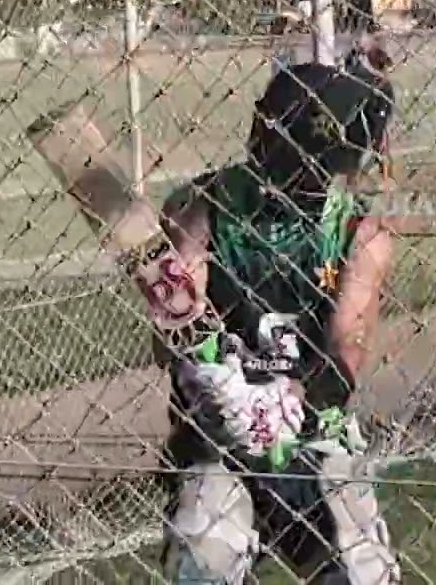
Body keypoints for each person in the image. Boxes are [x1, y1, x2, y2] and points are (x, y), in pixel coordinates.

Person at [140, 53, 401, 584]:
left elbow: (347, 350)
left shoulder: (359, 233)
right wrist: (217, 377)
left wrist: (286, 403)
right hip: (215, 437)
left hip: (313, 434)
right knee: (204, 558)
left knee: (360, 570)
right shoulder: (201, 207)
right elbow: (170, 331)